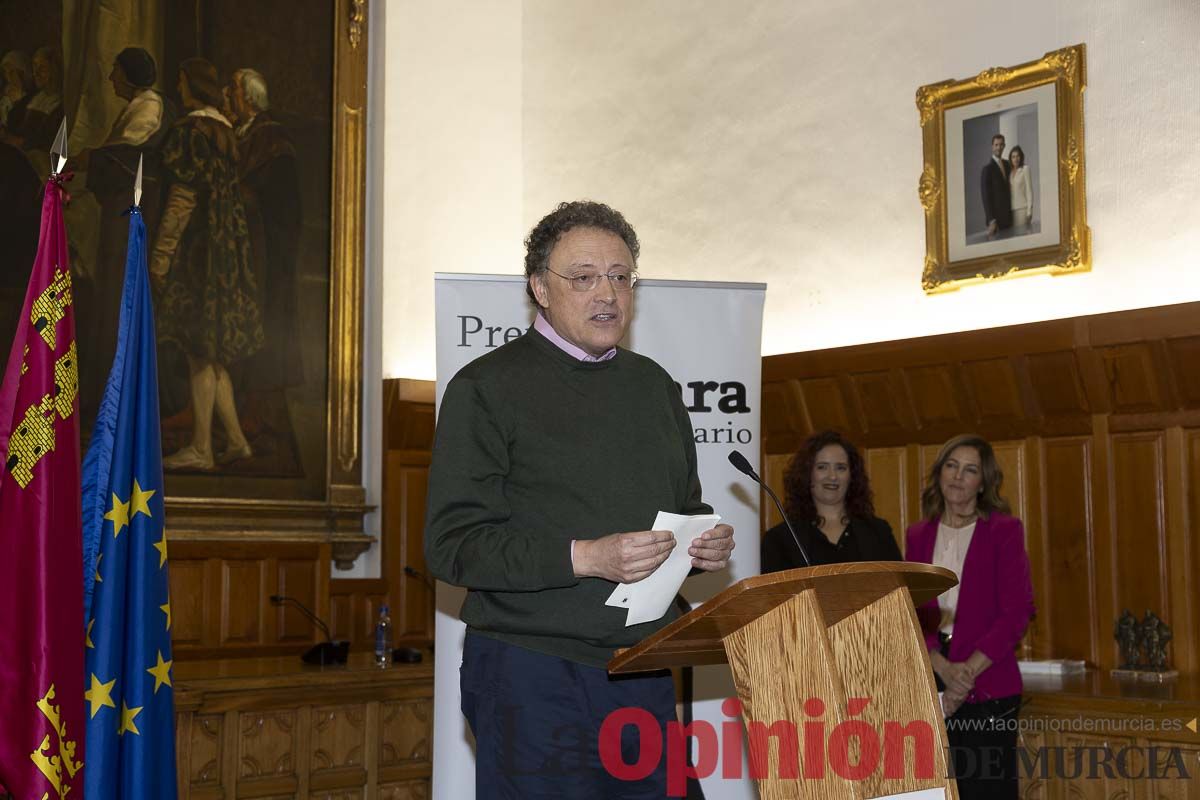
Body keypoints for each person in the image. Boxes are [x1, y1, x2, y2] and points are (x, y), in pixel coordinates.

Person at [425, 200, 735, 799]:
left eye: (621, 276)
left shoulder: (655, 387)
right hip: (530, 671)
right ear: (540, 288)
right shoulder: (486, 389)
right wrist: (587, 557)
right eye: (585, 276)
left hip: (638, 665)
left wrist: (702, 541)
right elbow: (452, 546)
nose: (608, 294)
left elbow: (684, 504)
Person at [906, 434, 1034, 799]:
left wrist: (964, 675)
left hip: (990, 688)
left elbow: (1016, 612)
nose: (958, 477)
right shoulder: (918, 535)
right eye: (951, 466)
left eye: (970, 469)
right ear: (939, 473)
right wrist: (942, 668)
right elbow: (913, 611)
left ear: (984, 482)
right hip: (931, 683)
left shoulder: (1004, 531)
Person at [152, 57, 264, 470]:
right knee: (212, 353)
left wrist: (162, 255)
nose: (178, 88)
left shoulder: (189, 132)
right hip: (227, 252)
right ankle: (235, 442)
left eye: (180, 81)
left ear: (190, 85)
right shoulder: (225, 131)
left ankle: (201, 448)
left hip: (198, 251)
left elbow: (183, 199)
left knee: (200, 350)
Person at [227, 68, 304, 397]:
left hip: (268, 249)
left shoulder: (272, 138)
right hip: (246, 243)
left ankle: (258, 405)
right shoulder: (242, 132)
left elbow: (280, 199)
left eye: (232, 90)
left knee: (267, 319)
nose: (226, 95)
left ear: (247, 97)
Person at [761, 429, 900, 572]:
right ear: (807, 474)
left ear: (852, 476)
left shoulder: (879, 532)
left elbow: (900, 588)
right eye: (822, 467)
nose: (832, 476)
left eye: (841, 468)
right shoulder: (780, 539)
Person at [1, 46, 61, 152]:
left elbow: (46, 144)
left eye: (42, 68)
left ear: (54, 69)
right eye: (34, 67)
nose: (36, 73)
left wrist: (14, 140)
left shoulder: (61, 104)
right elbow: (12, 123)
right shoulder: (31, 97)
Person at [980, 134, 1012, 238]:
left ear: (1004, 146)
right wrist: (991, 220)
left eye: (1001, 145)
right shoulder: (987, 169)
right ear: (992, 147)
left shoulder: (1008, 164)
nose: (999, 147)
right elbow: (986, 197)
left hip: (1010, 217)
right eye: (996, 145)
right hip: (997, 220)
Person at [1007, 145, 1033, 233]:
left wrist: (1029, 211)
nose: (1016, 159)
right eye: (1013, 157)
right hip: (1011, 210)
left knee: (1022, 234)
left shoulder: (1025, 169)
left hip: (1022, 208)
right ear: (1010, 159)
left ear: (1021, 157)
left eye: (1018, 156)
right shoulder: (1009, 173)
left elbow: (1029, 191)